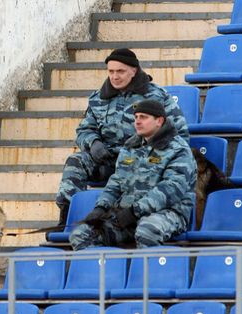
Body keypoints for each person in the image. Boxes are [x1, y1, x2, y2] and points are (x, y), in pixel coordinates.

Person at [54, 48, 190, 228]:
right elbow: (85, 129)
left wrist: (149, 151)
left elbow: (179, 133)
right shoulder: (98, 98)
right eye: (111, 71)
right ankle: (67, 216)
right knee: (76, 161)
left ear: (134, 71)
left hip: (141, 162)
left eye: (120, 71)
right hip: (107, 159)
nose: (115, 76)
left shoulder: (157, 96)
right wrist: (93, 143)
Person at [69, 99, 197, 250]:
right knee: (81, 235)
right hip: (126, 217)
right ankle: (106, 273)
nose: (137, 121)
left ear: (159, 121)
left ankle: (146, 273)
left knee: (147, 231)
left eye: (143, 117)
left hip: (167, 214)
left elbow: (170, 189)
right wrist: (101, 208)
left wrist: (134, 211)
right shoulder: (130, 146)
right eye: (136, 117)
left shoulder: (178, 149)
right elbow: (116, 182)